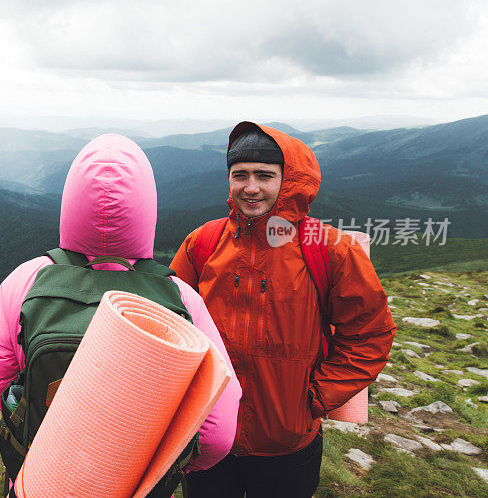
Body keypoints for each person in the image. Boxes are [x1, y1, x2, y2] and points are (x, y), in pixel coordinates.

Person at [0, 134, 242, 492]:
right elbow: (217, 433)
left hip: (39, 481)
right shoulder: (181, 297)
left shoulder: (26, 281)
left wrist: (25, 452)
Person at [170, 121, 396, 497]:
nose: (250, 186)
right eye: (239, 174)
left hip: (288, 445)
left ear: (288, 180)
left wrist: (317, 397)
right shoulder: (203, 243)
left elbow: (370, 333)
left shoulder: (331, 250)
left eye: (264, 175)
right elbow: (171, 323)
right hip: (209, 435)